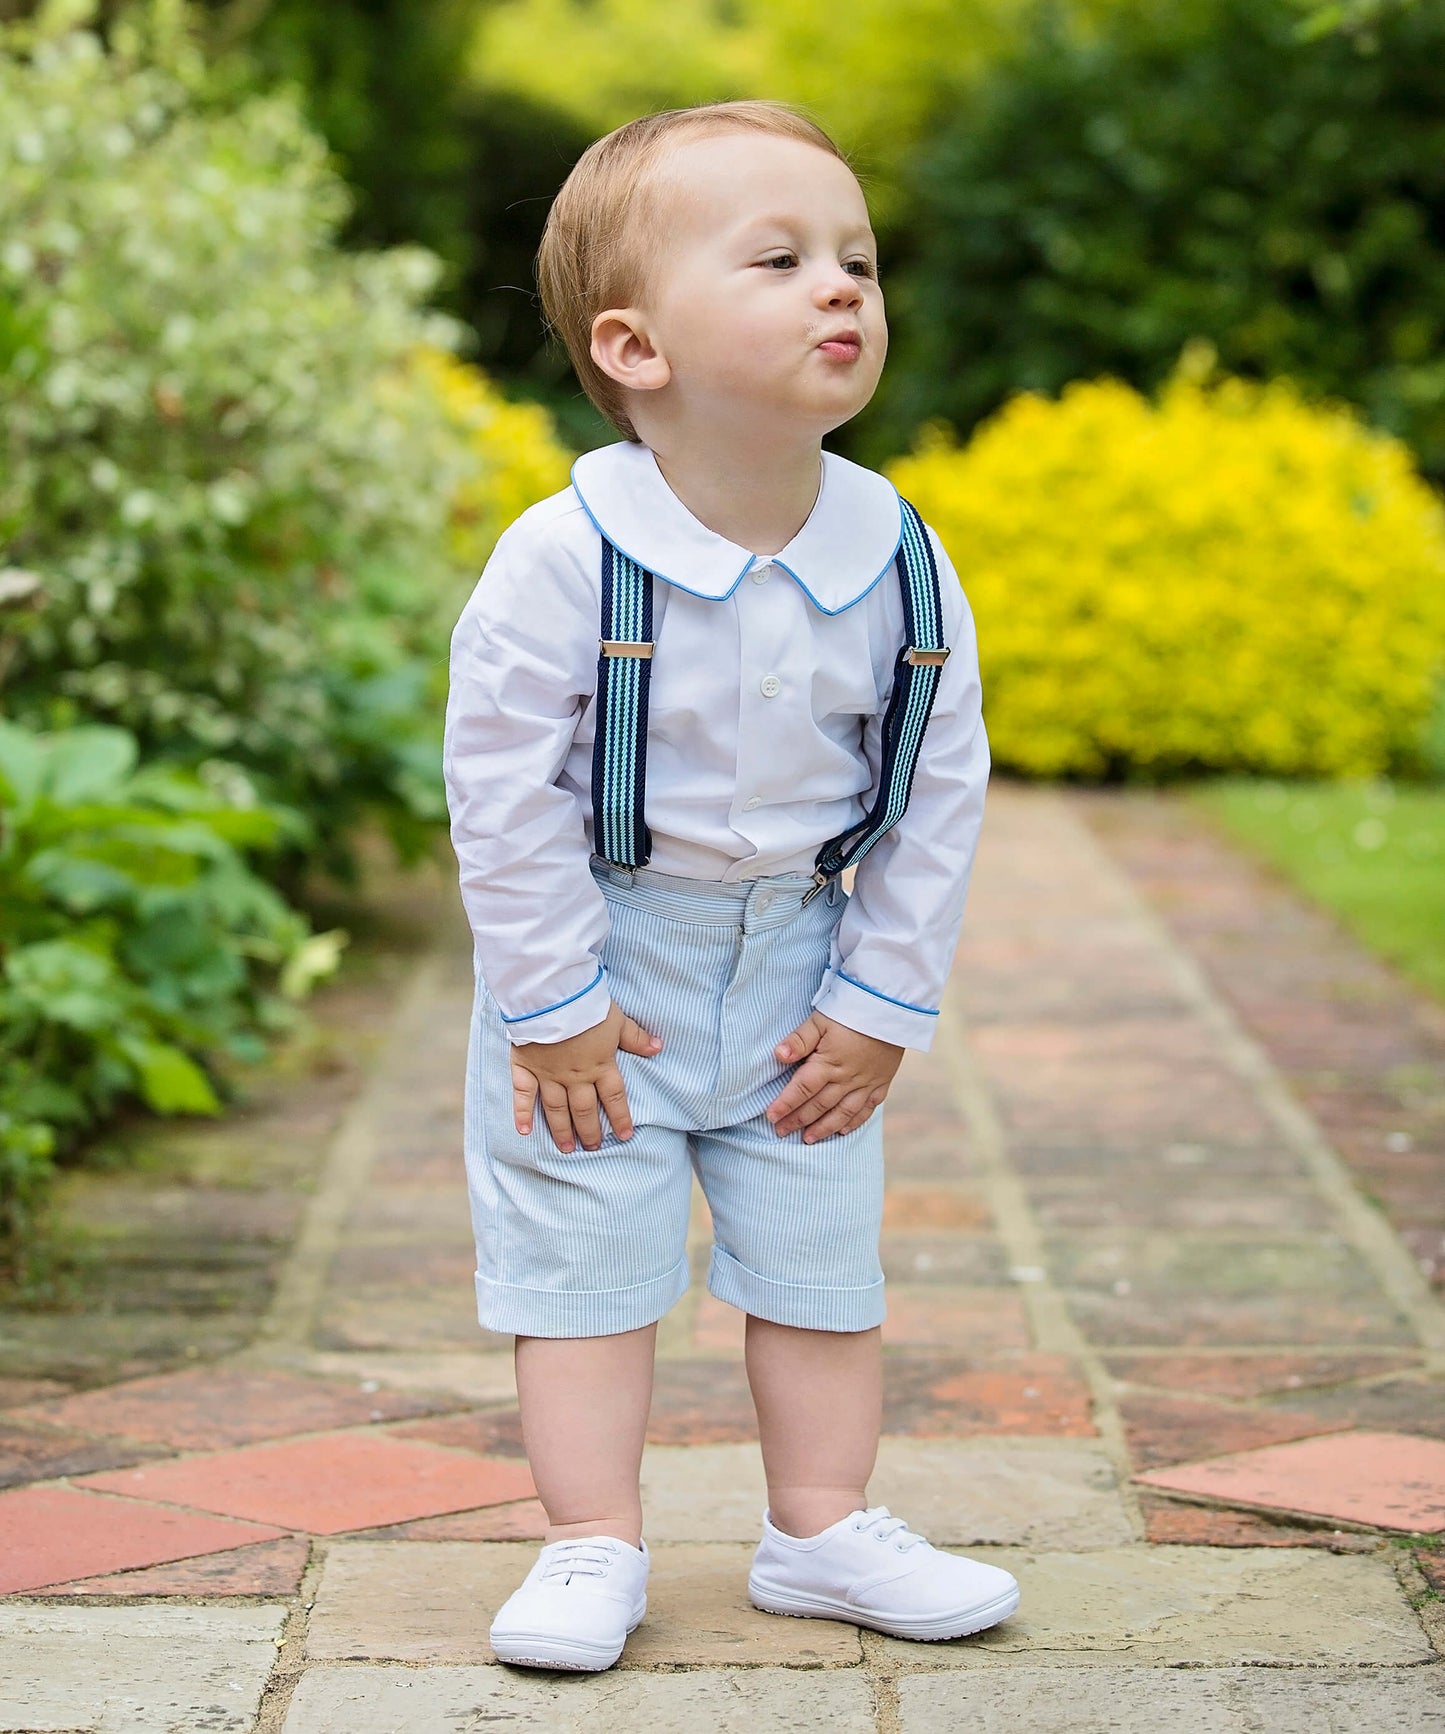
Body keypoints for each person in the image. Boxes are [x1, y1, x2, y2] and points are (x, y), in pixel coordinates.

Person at [443, 98, 1016, 1673]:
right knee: (582, 1259)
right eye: (780, 258)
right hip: (604, 961)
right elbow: (500, 793)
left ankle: (818, 1526)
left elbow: (933, 781)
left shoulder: (897, 551)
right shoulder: (563, 558)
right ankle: (588, 1538)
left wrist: (881, 999)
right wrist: (552, 1005)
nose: (842, 286)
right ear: (634, 346)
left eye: (857, 259)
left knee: (821, 1252)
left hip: (803, 970)